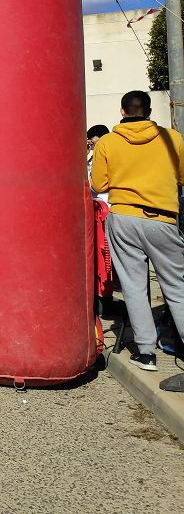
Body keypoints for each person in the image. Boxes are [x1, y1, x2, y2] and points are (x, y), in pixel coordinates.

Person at [91, 90, 184, 387]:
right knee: (177, 287)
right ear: (148, 109)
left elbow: (99, 183)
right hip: (163, 218)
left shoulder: (108, 142)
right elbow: (182, 177)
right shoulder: (172, 139)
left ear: (122, 112)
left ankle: (145, 353)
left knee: (133, 286)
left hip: (124, 216)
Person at [86, 124, 110, 202]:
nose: (88, 141)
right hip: (94, 199)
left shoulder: (109, 154)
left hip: (105, 201)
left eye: (90, 137)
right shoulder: (93, 157)